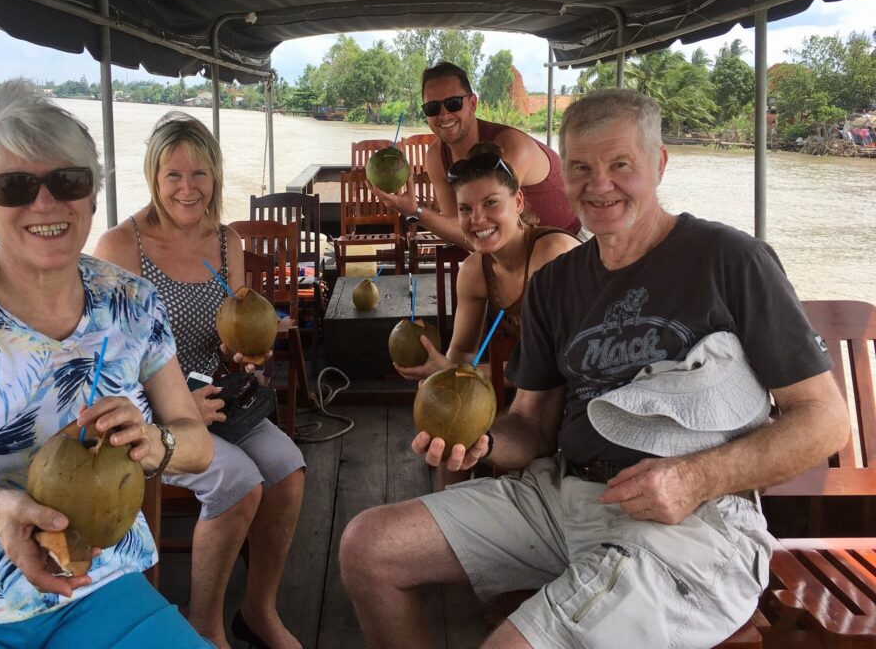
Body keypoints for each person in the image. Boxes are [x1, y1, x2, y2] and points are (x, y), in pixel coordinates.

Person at [340, 88, 850, 649]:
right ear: (562, 176)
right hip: (567, 492)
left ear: (658, 164)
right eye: (581, 167)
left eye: (620, 165)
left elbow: (824, 421)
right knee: (369, 547)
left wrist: (696, 477)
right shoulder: (556, 283)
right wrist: (483, 441)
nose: (598, 184)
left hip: (695, 522)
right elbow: (531, 427)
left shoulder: (731, 261)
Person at [0, 80, 215, 648]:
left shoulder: (129, 299)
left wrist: (156, 442)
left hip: (100, 582)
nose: (45, 203)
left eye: (68, 181)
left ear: (93, 194)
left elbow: (195, 440)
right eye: (15, 186)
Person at [94, 112, 305, 649]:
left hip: (216, 400)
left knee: (288, 469)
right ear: (153, 177)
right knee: (238, 483)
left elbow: (228, 335)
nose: (188, 188)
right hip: (148, 416)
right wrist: (170, 405)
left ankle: (258, 610)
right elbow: (100, 368)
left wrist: (245, 352)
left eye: (200, 174)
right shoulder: (121, 249)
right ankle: (204, 625)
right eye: (173, 175)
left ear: (215, 177)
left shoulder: (227, 243)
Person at [394, 142, 580, 487]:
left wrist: (463, 371)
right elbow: (462, 353)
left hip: (577, 389)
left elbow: (559, 368)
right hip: (529, 384)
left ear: (519, 203)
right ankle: (448, 506)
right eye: (465, 209)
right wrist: (444, 378)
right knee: (450, 431)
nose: (477, 220)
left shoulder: (553, 257)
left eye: (491, 203)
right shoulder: (475, 271)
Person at [371, 61, 581, 248]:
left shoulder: (511, 147)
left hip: (572, 241)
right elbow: (463, 232)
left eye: (454, 103)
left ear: (472, 103)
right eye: (433, 107)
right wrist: (412, 209)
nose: (444, 115)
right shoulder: (436, 156)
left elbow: (488, 228)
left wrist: (415, 212)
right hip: (518, 250)